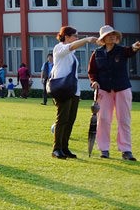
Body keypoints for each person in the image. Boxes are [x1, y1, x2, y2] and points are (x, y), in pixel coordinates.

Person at [87, 25, 140, 161]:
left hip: (122, 89)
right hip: (104, 90)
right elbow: (92, 72)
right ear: (103, 38)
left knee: (124, 120)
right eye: (109, 35)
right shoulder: (97, 53)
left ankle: (126, 150)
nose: (113, 36)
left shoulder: (122, 51)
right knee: (103, 119)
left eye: (114, 35)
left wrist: (136, 46)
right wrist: (94, 82)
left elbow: (131, 50)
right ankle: (104, 149)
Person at [50, 26, 98, 159]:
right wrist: (87, 40)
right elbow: (70, 47)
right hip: (62, 89)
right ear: (66, 36)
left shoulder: (71, 54)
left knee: (70, 120)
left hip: (72, 90)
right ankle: (56, 148)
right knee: (62, 119)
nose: (77, 38)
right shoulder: (59, 48)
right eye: (75, 36)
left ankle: (64, 148)